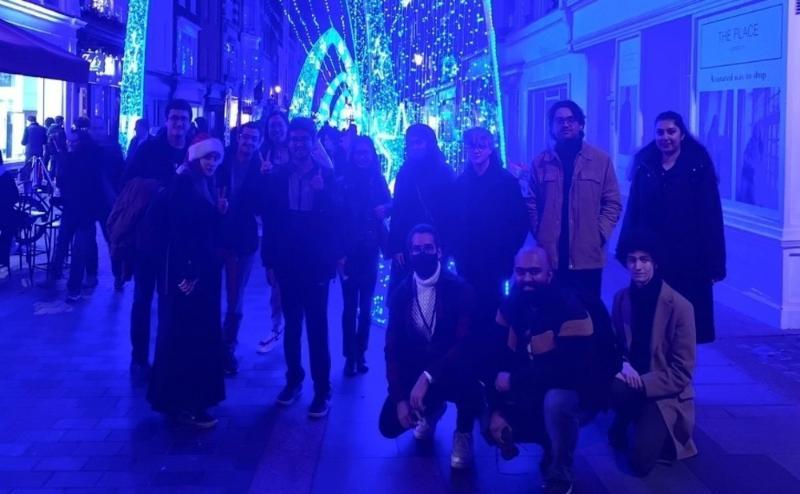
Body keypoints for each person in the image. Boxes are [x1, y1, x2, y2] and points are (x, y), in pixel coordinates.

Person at [485, 246, 620, 494]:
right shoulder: (510, 306)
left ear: (549, 274)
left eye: (535, 272)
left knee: (556, 402)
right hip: (534, 385)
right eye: (521, 272)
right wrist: (496, 408)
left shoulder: (571, 308)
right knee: (486, 400)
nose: (527, 278)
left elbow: (570, 372)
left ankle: (561, 473)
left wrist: (514, 381)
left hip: (580, 388)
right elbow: (495, 359)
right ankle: (541, 441)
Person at [616, 111, 725, 343]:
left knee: (684, 327)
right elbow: (634, 210)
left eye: (671, 131)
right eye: (660, 132)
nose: (665, 137)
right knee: (651, 325)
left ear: (681, 134)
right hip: (652, 258)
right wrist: (625, 249)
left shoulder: (698, 168)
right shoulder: (645, 167)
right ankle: (655, 376)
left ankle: (680, 376)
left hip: (688, 260)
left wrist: (715, 262)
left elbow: (711, 218)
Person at [380, 224, 482, 469]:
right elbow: (392, 349)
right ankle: (431, 409)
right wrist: (399, 397)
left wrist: (428, 376)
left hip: (452, 369)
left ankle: (463, 432)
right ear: (409, 253)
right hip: (417, 370)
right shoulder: (400, 294)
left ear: (439, 252)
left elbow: (465, 344)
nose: (422, 253)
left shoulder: (460, 290)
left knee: (470, 375)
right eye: (416, 249)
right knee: (388, 424)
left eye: (428, 248)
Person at [261, 117, 343, 418]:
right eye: (293, 139)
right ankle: (293, 380)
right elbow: (271, 221)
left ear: (312, 143)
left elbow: (337, 218)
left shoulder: (327, 175)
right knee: (292, 326)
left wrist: (323, 192)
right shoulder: (278, 176)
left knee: (318, 328)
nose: (298, 144)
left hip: (316, 262)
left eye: (303, 139)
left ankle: (322, 389)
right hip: (287, 261)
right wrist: (268, 261)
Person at [147, 133, 227, 429]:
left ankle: (178, 400)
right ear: (195, 157)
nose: (212, 163)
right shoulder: (184, 185)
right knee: (189, 337)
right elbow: (180, 234)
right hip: (189, 276)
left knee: (185, 335)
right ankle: (188, 402)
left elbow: (202, 228)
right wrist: (188, 272)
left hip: (198, 273)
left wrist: (219, 214)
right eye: (207, 157)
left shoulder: (200, 182)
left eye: (216, 158)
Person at [610, 231, 697, 476]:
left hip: (663, 393)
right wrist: (622, 364)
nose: (638, 266)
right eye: (632, 260)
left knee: (640, 464)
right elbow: (613, 346)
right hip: (630, 380)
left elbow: (682, 372)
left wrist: (642, 383)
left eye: (644, 260)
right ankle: (628, 416)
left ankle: (654, 426)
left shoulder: (680, 307)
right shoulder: (621, 299)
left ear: (655, 263)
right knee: (605, 382)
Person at [122, 99, 192, 376]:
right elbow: (126, 180)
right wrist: (158, 188)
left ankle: (166, 355)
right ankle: (139, 357)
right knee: (142, 298)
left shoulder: (192, 151)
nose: (178, 124)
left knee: (171, 300)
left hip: (178, 241)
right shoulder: (149, 149)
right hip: (148, 238)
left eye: (183, 119)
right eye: (174, 118)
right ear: (166, 120)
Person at [526, 100, 621, 302]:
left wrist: (600, 234)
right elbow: (531, 201)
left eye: (571, 120)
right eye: (559, 121)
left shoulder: (600, 161)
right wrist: (539, 231)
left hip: (587, 258)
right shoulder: (541, 163)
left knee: (587, 318)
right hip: (550, 259)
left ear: (580, 125)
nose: (566, 124)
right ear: (552, 126)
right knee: (551, 318)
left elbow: (612, 202)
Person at [451, 127, 528, 328]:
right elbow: (454, 220)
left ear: (490, 148)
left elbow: (519, 221)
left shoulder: (506, 182)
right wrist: (457, 251)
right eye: (472, 146)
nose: (476, 151)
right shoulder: (460, 184)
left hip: (496, 260)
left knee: (494, 311)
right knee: (469, 310)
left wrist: (508, 251)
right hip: (467, 260)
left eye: (481, 146)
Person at [338, 135, 391, 376]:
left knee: (366, 308)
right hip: (349, 251)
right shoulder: (344, 181)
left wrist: (385, 209)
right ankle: (350, 355)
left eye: (366, 153)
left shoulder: (377, 180)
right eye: (358, 153)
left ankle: (361, 352)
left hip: (370, 250)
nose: (362, 157)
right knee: (350, 307)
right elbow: (336, 217)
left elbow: (389, 203)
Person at [216, 123, 265, 375]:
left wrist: (267, 177)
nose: (248, 142)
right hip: (216, 235)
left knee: (236, 294)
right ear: (237, 137)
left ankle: (228, 347)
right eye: (245, 137)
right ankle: (212, 343)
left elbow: (263, 205)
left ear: (259, 141)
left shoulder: (261, 166)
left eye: (254, 139)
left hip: (244, 240)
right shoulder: (221, 158)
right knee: (212, 291)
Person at [387, 124, 454, 294]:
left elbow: (450, 212)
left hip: (434, 243)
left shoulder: (443, 172)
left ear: (429, 143)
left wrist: (445, 246)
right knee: (404, 297)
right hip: (408, 244)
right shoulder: (405, 171)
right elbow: (398, 210)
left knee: (433, 296)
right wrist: (396, 246)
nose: (415, 147)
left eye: (419, 142)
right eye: (411, 143)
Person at [52, 131, 105, 301]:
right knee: (80, 246)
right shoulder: (87, 158)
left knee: (78, 250)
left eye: (73, 141)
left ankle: (74, 287)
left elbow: (63, 181)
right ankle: (84, 278)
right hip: (79, 210)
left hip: (81, 211)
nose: (70, 144)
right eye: (69, 141)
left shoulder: (75, 160)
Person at [257, 110, 290, 354]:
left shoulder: (298, 152)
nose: (276, 130)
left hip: (296, 225)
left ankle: (288, 325)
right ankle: (277, 325)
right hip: (274, 225)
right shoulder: (262, 154)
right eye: (272, 126)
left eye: (280, 125)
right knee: (275, 279)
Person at [0, 151, 20, 280]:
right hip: (6, 214)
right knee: (7, 235)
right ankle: (3, 264)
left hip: (4, 214)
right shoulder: (6, 175)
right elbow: (15, 196)